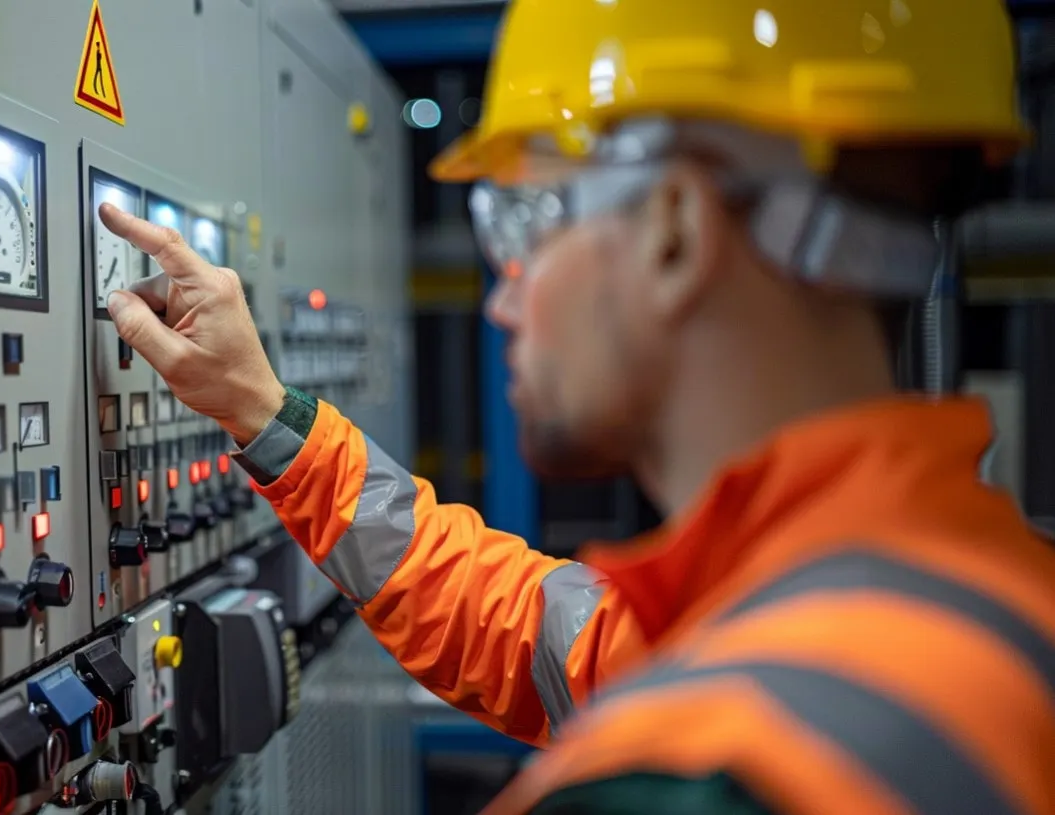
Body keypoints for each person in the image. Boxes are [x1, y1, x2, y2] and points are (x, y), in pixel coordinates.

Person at [101, 0, 1055, 811]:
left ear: (674, 231)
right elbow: (526, 629)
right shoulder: (977, 597)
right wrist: (266, 413)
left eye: (528, 219)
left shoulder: (688, 774)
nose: (501, 295)